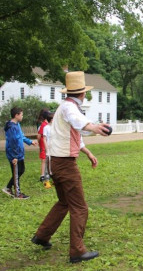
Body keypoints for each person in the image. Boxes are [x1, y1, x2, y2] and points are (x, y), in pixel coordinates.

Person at [31, 71, 111, 263]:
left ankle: (42, 236)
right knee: (80, 207)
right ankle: (77, 251)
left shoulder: (65, 108)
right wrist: (94, 126)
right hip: (65, 164)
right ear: (82, 93)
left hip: (56, 162)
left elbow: (75, 133)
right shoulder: (70, 108)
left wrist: (89, 151)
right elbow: (79, 121)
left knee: (64, 202)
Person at [2, 107, 37, 199]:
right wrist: (15, 156)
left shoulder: (17, 125)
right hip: (14, 155)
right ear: (16, 115)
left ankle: (8, 188)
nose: (22, 116)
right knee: (17, 172)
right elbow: (13, 142)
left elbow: (21, 136)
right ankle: (18, 194)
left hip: (19, 154)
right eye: (21, 114)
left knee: (21, 170)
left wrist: (30, 142)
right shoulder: (11, 127)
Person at [37, 110, 51, 188]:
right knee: (43, 160)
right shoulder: (44, 125)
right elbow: (39, 136)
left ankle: (47, 174)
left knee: (47, 160)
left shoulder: (47, 125)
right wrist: (40, 144)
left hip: (47, 146)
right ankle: (42, 176)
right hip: (43, 146)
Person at [43, 112, 54, 187]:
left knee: (54, 164)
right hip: (49, 149)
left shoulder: (56, 127)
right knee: (48, 165)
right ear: (51, 119)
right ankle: (47, 181)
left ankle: (54, 180)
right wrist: (46, 148)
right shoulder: (46, 128)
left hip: (55, 149)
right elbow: (44, 139)